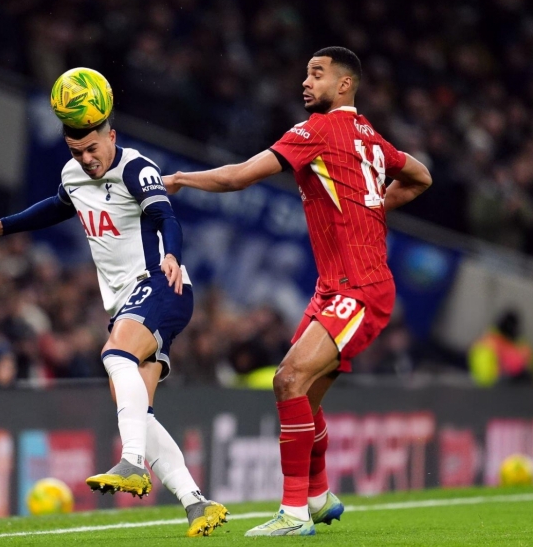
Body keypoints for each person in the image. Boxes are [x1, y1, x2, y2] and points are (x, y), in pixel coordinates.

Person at [165, 46, 432, 536]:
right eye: (305, 73)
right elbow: (420, 176)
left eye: (317, 73)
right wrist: (374, 208)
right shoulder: (370, 136)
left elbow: (238, 177)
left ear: (345, 84)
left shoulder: (317, 131)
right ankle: (319, 496)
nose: (305, 82)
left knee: (287, 380)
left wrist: (181, 178)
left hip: (359, 288)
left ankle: (293, 515)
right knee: (303, 398)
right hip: (334, 289)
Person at [0, 116, 228, 537]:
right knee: (136, 406)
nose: (86, 160)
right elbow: (56, 206)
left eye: (92, 149)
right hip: (128, 300)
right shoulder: (73, 174)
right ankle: (197, 503)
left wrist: (174, 256)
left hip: (161, 283)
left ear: (111, 137)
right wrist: (3, 226)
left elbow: (166, 218)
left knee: (114, 354)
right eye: (76, 152)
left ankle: (133, 463)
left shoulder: (136, 168)